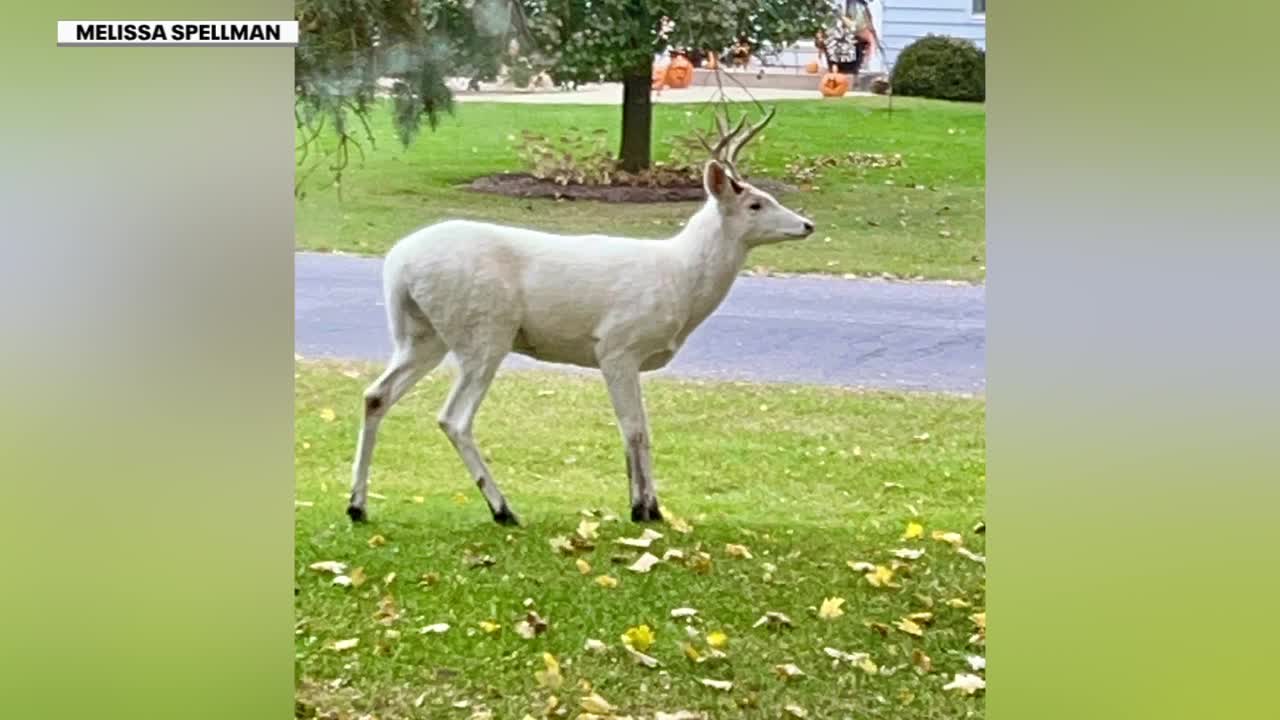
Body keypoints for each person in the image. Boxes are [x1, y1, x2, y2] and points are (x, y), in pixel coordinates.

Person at [816, 1, 879, 79]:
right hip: (835, 45)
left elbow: (857, 27)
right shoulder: (829, 7)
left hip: (851, 48)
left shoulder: (858, 6)